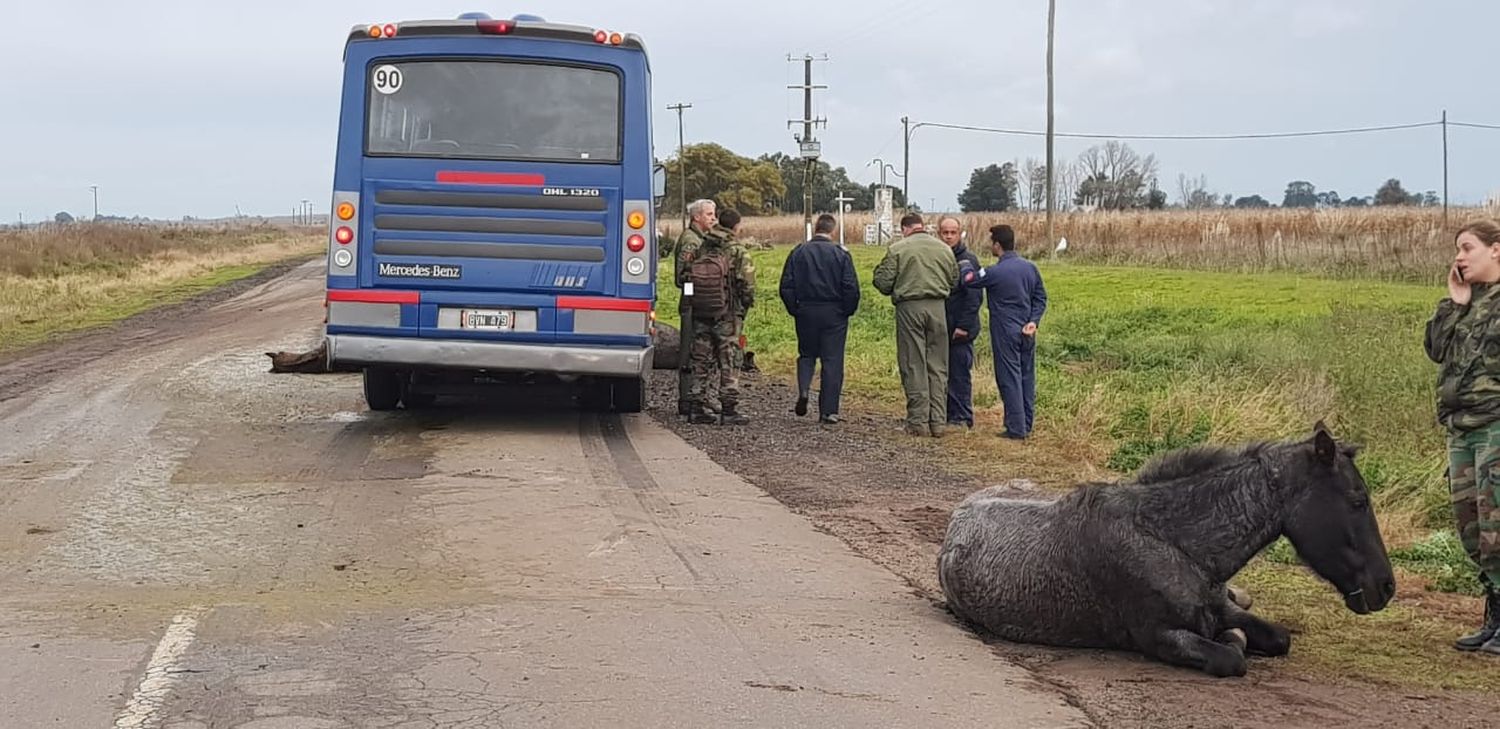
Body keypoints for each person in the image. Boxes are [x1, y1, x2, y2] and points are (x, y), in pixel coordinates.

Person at [1425, 218, 1500, 655]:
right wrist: (1456, 303)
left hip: (1494, 425)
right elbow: (1436, 349)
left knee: (1498, 527)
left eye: (1468, 247)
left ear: (1496, 250)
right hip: (1461, 428)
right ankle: (1494, 616)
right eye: (1457, 249)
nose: (1459, 256)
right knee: (1473, 527)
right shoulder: (1462, 303)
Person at [873, 213, 960, 438]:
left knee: (913, 362)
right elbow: (954, 280)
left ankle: (918, 421)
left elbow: (882, 283)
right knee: (938, 365)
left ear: (905, 229)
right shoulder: (944, 249)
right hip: (938, 308)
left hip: (909, 308)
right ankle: (938, 422)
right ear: (923, 227)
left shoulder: (898, 249)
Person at [959, 224, 1047, 440]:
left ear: (997, 245)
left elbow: (969, 281)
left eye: (992, 243)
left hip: (1005, 330)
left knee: (1009, 377)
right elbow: (1040, 297)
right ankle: (1026, 423)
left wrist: (964, 265)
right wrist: (1033, 321)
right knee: (1026, 375)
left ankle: (1016, 428)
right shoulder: (1030, 268)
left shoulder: (995, 272)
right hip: (1027, 329)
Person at [677, 206, 755, 425]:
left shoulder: (701, 246)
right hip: (727, 314)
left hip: (701, 312)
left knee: (701, 359)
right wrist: (742, 308)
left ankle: (696, 407)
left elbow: (686, 276)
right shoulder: (737, 250)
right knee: (730, 359)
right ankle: (728, 410)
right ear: (737, 226)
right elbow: (747, 286)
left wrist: (692, 301)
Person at [780, 213, 860, 424]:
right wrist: (847, 310)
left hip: (806, 310)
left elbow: (786, 285)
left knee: (806, 354)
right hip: (834, 312)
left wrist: (794, 309)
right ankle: (828, 411)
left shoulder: (798, 252)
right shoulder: (840, 254)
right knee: (832, 360)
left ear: (816, 228)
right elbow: (850, 286)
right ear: (832, 230)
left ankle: (804, 389)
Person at [938, 216, 983, 429]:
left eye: (952, 233)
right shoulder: (938, 257)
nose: (948, 237)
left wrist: (964, 326)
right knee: (943, 375)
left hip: (960, 329)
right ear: (939, 233)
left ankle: (963, 417)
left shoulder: (968, 260)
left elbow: (974, 297)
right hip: (942, 328)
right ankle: (947, 414)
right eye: (945, 233)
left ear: (959, 233)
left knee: (959, 375)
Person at [673, 199, 717, 415]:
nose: (713, 218)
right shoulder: (692, 242)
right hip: (693, 303)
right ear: (696, 217)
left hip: (701, 301)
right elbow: (683, 277)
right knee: (691, 352)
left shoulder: (702, 239)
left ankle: (698, 396)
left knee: (701, 351)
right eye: (709, 214)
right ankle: (688, 399)